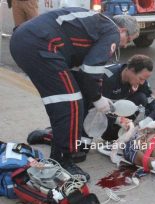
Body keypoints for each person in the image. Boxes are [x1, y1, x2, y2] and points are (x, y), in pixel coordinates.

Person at [10, 7, 140, 180]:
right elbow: (91, 70)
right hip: (40, 44)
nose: (124, 45)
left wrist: (95, 95)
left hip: (25, 41)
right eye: (128, 39)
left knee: (63, 100)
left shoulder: (95, 23)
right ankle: (61, 159)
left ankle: (54, 137)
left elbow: (81, 71)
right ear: (122, 30)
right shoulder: (111, 31)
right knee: (71, 103)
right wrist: (97, 98)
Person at [26, 55, 155, 162]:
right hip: (88, 114)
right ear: (130, 70)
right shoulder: (105, 78)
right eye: (141, 78)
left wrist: (150, 122)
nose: (142, 82)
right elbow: (91, 108)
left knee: (141, 98)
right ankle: (50, 135)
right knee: (79, 152)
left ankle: (113, 132)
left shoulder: (140, 82)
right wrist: (118, 121)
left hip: (109, 115)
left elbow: (150, 101)